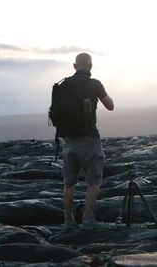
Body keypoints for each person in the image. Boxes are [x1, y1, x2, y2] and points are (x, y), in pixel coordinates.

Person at [61, 53, 114, 230]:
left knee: (69, 182)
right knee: (94, 180)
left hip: (68, 139)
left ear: (74, 66)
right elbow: (110, 106)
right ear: (90, 66)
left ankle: (68, 220)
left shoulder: (64, 84)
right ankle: (88, 219)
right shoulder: (94, 84)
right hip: (89, 138)